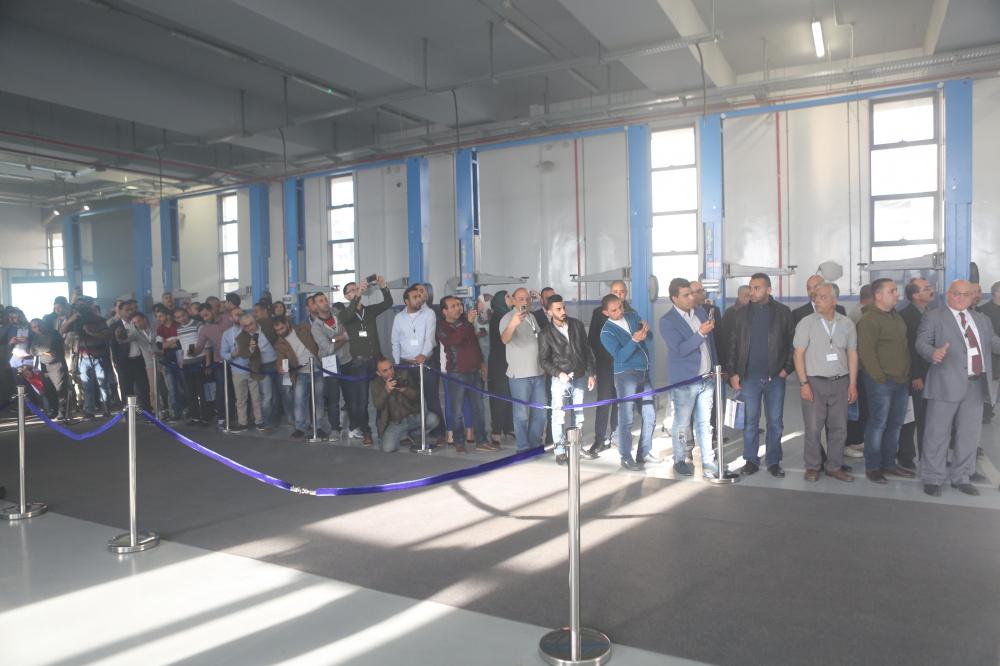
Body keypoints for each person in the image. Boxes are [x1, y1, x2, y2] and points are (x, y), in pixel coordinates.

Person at [916, 280, 1000, 496]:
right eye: (956, 293)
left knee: (969, 434)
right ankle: (933, 478)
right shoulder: (934, 317)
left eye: (966, 294)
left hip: (976, 385)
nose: (961, 298)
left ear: (973, 297)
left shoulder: (982, 319)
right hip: (944, 384)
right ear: (948, 294)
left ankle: (961, 476)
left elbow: (993, 343)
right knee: (937, 433)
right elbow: (921, 343)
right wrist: (933, 353)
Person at [725, 273, 795, 478]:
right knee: (750, 422)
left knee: (775, 422)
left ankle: (773, 461)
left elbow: (792, 344)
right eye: (750, 287)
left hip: (775, 379)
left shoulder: (783, 312)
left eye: (757, 288)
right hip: (749, 378)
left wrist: (787, 369)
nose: (752, 292)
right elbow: (733, 346)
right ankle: (751, 460)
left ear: (769, 289)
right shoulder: (741, 314)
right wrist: (733, 373)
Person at [792, 283, 857, 482]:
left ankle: (834, 466)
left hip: (840, 382)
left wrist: (852, 384)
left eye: (822, 297)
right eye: (815, 297)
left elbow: (852, 354)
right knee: (813, 428)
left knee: (839, 428)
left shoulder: (846, 323)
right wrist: (804, 383)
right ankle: (812, 466)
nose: (817, 300)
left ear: (834, 300)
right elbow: (798, 354)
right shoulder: (806, 323)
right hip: (814, 382)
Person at [856, 278, 914, 484]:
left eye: (896, 290)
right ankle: (873, 467)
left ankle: (889, 464)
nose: (897, 294)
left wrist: (905, 374)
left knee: (895, 424)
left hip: (901, 381)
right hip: (881, 382)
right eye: (892, 291)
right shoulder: (869, 320)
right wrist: (879, 378)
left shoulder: (895, 317)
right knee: (878, 424)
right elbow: (866, 353)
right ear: (878, 295)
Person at [659, 278, 719, 479]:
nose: (691, 297)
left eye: (692, 293)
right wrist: (700, 333)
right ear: (674, 298)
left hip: (706, 378)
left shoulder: (700, 312)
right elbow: (681, 349)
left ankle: (709, 461)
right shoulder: (667, 321)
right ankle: (680, 459)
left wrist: (715, 366)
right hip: (685, 381)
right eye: (686, 295)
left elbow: (710, 343)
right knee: (682, 423)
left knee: (705, 423)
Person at [538, 294, 597, 465]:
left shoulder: (576, 325)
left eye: (563, 307)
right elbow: (543, 360)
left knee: (578, 414)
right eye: (558, 309)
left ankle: (576, 448)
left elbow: (587, 350)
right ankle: (560, 451)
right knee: (559, 416)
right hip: (560, 380)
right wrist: (559, 373)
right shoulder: (545, 334)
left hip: (579, 376)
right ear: (549, 312)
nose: (563, 311)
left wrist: (591, 373)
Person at [600, 293, 655, 471]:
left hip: (643, 371)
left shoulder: (632, 316)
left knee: (650, 414)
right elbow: (620, 356)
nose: (619, 312)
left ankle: (643, 452)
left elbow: (650, 338)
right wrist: (634, 340)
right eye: (614, 310)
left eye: (621, 307)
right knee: (627, 418)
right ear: (606, 313)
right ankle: (626, 457)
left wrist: (646, 332)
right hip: (625, 376)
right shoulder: (606, 333)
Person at [437, 296, 495, 453]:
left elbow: (474, 343)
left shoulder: (465, 323)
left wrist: (481, 362)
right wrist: (468, 323)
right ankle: (459, 442)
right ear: (444, 311)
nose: (458, 308)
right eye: (453, 306)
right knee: (457, 411)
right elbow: (453, 341)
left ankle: (481, 441)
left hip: (474, 372)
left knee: (479, 409)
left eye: (459, 304)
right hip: (457, 374)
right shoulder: (442, 327)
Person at [341, 276, 394, 446]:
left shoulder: (369, 311)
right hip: (359, 363)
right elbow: (348, 315)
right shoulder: (345, 314)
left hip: (376, 360)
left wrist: (383, 287)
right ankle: (366, 432)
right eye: (351, 290)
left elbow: (388, 303)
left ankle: (383, 429)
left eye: (356, 288)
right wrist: (358, 296)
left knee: (384, 395)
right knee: (362, 401)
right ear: (347, 296)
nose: (356, 291)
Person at [587, 280, 630, 457]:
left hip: (624, 365)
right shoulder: (599, 313)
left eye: (621, 291)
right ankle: (599, 440)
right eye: (615, 291)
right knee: (604, 401)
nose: (618, 294)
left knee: (620, 401)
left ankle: (616, 436)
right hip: (605, 365)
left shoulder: (630, 313)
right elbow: (592, 340)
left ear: (626, 293)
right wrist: (593, 369)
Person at [500, 287, 547, 451]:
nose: (525, 302)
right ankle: (523, 447)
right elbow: (505, 339)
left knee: (540, 413)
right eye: (520, 299)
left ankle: (533, 445)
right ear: (513, 301)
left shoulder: (531, 317)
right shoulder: (507, 318)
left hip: (538, 373)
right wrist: (513, 324)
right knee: (521, 415)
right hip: (519, 375)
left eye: (527, 299)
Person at [273, 315, 331, 440]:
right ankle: (300, 428)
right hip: (300, 373)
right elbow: (280, 359)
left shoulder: (304, 328)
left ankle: (318, 427)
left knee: (319, 400)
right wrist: (280, 367)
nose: (280, 332)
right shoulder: (279, 343)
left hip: (318, 369)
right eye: (277, 330)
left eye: (281, 328)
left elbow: (318, 339)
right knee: (299, 401)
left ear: (287, 324)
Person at [897, 278, 935, 471]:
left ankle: (927, 455)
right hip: (916, 377)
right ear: (915, 295)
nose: (931, 290)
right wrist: (915, 376)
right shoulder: (905, 316)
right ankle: (905, 455)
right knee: (911, 418)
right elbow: (907, 350)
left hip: (933, 375)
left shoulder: (932, 313)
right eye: (926, 288)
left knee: (929, 419)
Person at [370, 357, 440, 453]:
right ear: (378, 373)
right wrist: (386, 391)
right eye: (385, 371)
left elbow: (417, 396)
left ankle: (412, 434)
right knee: (388, 448)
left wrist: (405, 390)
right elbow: (378, 405)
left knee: (433, 419)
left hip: (412, 417)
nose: (390, 372)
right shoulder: (376, 383)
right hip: (395, 423)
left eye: (391, 368)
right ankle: (402, 436)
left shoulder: (403, 374)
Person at [309, 292, 351, 441]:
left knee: (350, 395)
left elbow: (351, 333)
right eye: (320, 301)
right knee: (333, 399)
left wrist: (335, 339)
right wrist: (344, 337)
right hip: (329, 363)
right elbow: (328, 348)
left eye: (325, 299)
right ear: (315, 306)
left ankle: (354, 427)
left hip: (347, 359)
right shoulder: (316, 327)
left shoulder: (340, 316)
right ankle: (334, 428)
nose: (325, 302)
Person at [61, 298, 112, 419]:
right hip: (83, 357)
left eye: (84, 306)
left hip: (99, 356)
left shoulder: (99, 320)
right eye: (79, 306)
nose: (82, 309)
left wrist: (90, 333)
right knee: (86, 386)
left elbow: (107, 335)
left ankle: (106, 408)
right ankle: (89, 411)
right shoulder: (76, 320)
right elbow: (62, 330)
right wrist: (72, 319)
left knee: (102, 384)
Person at [235, 313, 276, 432]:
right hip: (261, 367)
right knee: (267, 396)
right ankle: (267, 423)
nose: (250, 327)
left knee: (283, 392)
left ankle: (287, 418)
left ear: (255, 322)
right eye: (246, 326)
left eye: (251, 324)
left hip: (278, 362)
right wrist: (251, 348)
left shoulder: (266, 324)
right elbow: (244, 354)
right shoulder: (241, 337)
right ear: (242, 327)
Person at [487, 290, 515, 445]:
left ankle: (508, 427)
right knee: (500, 397)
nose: (511, 299)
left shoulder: (506, 315)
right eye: (508, 297)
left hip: (507, 361)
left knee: (508, 396)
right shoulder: (499, 317)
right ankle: (496, 431)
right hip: (499, 363)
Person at [174, 306, 210, 426]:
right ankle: (195, 417)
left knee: (202, 391)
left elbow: (206, 343)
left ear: (187, 313)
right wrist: (182, 361)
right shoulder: (179, 329)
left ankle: (205, 417)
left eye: (183, 315)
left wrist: (207, 362)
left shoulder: (198, 325)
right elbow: (182, 346)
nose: (182, 318)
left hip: (200, 360)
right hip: (187, 363)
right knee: (190, 392)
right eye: (178, 317)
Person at [29, 318, 67, 419]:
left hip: (57, 366)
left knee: (60, 390)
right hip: (44, 367)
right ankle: (54, 411)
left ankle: (62, 411)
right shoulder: (36, 336)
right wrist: (44, 352)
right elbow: (31, 351)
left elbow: (48, 348)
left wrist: (39, 350)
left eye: (39, 325)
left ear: (43, 324)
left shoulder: (53, 333)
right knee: (49, 390)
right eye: (34, 327)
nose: (38, 329)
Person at [979, 280, 1000, 424]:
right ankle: (986, 412)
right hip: (991, 354)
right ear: (996, 293)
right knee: (990, 385)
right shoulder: (983, 310)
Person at [717, 285, 750, 373]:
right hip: (735, 360)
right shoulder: (730, 313)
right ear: (739, 296)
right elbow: (725, 339)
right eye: (746, 296)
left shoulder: (754, 312)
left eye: (750, 295)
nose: (749, 298)